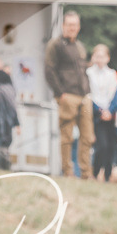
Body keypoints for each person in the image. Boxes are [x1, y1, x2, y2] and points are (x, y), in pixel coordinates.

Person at [44, 11, 94, 179]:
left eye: (75, 25)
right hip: (67, 96)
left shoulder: (80, 46)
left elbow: (83, 70)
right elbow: (49, 70)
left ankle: (86, 173)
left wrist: (88, 91)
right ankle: (68, 171)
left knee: (87, 137)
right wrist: (60, 93)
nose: (73, 28)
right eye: (70, 25)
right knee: (67, 137)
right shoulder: (55, 45)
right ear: (63, 26)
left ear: (78, 27)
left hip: (84, 96)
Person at [86, 44, 117, 182]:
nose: (100, 59)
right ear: (93, 57)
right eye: (97, 56)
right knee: (101, 145)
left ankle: (107, 175)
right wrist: (99, 111)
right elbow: (88, 94)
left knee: (111, 146)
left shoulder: (112, 74)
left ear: (108, 58)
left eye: (102, 56)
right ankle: (95, 173)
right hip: (96, 114)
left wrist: (110, 111)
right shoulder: (89, 73)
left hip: (110, 115)